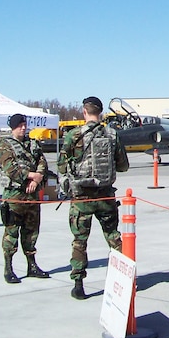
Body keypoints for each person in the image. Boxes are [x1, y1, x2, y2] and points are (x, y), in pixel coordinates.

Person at [58, 96, 129, 300]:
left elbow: (62, 166)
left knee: (80, 241)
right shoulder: (112, 134)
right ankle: (124, 279)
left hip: (82, 198)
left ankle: (78, 284)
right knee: (114, 237)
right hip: (106, 196)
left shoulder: (74, 135)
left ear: (84, 112)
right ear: (101, 113)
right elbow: (123, 165)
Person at [0, 113, 49, 284]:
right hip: (15, 196)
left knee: (31, 232)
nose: (23, 128)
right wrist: (30, 176)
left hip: (31, 195)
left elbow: (42, 161)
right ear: (13, 127)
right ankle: (8, 268)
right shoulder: (5, 145)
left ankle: (31, 265)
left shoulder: (32, 144)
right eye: (20, 125)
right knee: (11, 232)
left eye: (25, 125)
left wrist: (37, 177)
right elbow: (10, 168)